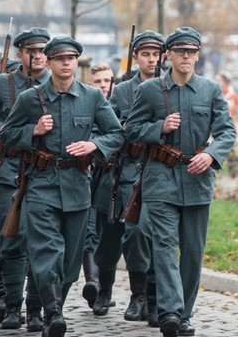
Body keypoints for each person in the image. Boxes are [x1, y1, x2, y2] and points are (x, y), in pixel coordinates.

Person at [0, 35, 124, 337]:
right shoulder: (31, 98)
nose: (66, 63)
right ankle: (54, 313)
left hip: (78, 186)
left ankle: (54, 307)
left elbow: (117, 135)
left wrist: (94, 144)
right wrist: (33, 130)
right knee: (46, 252)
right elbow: (5, 135)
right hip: (41, 185)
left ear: (76, 63)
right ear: (51, 62)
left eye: (71, 59)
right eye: (60, 58)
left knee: (69, 261)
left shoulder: (93, 97)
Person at [125, 27, 237, 337]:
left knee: (192, 253)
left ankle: (184, 313)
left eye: (191, 51)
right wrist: (159, 127)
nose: (185, 56)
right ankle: (170, 312)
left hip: (197, 180)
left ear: (198, 55)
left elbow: (227, 131)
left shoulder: (211, 90)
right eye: (179, 51)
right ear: (169, 55)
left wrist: (212, 156)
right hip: (160, 180)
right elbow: (131, 130)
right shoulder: (150, 90)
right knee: (163, 247)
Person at [0, 27, 51, 330]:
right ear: (20, 54)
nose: (38, 56)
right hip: (8, 173)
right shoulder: (3, 84)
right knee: (11, 241)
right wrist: (7, 132)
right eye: (32, 51)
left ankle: (37, 309)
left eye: (43, 51)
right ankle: (12, 305)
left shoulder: (57, 85)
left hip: (45, 174)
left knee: (41, 246)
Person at [95, 30, 165, 322]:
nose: (152, 60)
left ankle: (143, 297)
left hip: (155, 172)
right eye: (146, 54)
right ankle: (104, 290)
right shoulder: (121, 90)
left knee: (140, 233)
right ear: (135, 57)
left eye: (156, 54)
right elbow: (106, 128)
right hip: (121, 172)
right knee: (108, 239)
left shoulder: (169, 88)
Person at [79, 61, 115, 310]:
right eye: (98, 81)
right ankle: (93, 282)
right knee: (88, 231)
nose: (103, 86)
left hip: (111, 176)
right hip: (87, 173)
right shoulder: (86, 102)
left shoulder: (123, 101)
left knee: (107, 233)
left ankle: (104, 285)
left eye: (107, 81)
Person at [218, 71, 238, 141]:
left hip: (230, 131)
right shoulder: (216, 95)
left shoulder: (234, 96)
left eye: (219, 81)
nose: (216, 83)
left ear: (225, 82)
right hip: (217, 131)